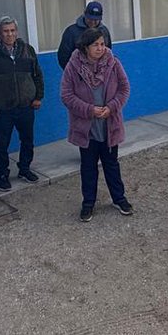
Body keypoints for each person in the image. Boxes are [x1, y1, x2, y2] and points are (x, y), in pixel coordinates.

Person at [60, 27, 132, 222]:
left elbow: (125, 88)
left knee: (111, 164)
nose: (100, 48)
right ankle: (88, 203)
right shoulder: (73, 67)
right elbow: (66, 95)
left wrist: (112, 107)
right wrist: (89, 109)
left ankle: (119, 198)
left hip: (109, 125)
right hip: (87, 128)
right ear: (85, 48)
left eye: (102, 44)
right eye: (95, 45)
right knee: (88, 166)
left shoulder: (113, 63)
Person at [0, 16, 44, 191]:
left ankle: (24, 169)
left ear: (16, 31)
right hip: (2, 108)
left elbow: (37, 75)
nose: (9, 34)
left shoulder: (27, 50)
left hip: (26, 105)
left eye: (12, 30)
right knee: (2, 143)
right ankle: (2, 174)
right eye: (5, 31)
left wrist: (38, 96)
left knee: (27, 140)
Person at [56, 0, 112, 69]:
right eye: (90, 18)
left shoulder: (104, 31)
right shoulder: (71, 32)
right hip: (77, 74)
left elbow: (108, 53)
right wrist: (73, 73)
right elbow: (63, 56)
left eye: (96, 20)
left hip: (100, 74)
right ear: (84, 14)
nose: (92, 22)